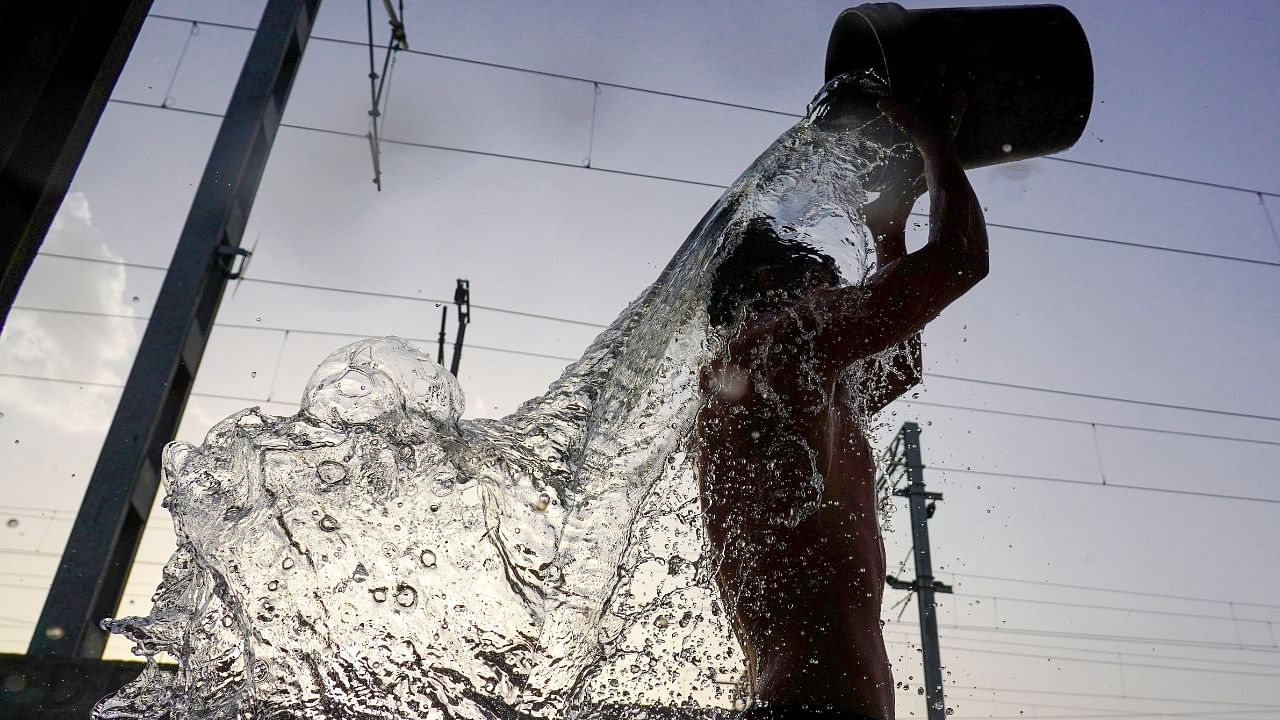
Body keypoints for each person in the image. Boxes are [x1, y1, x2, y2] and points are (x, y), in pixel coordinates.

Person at [693, 85, 989, 720]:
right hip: (818, 697)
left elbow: (901, 365)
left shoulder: (771, 375)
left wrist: (890, 225)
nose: (845, 299)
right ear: (780, 286)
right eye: (832, 287)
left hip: (809, 691)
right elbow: (961, 260)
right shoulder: (780, 338)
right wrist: (935, 139)